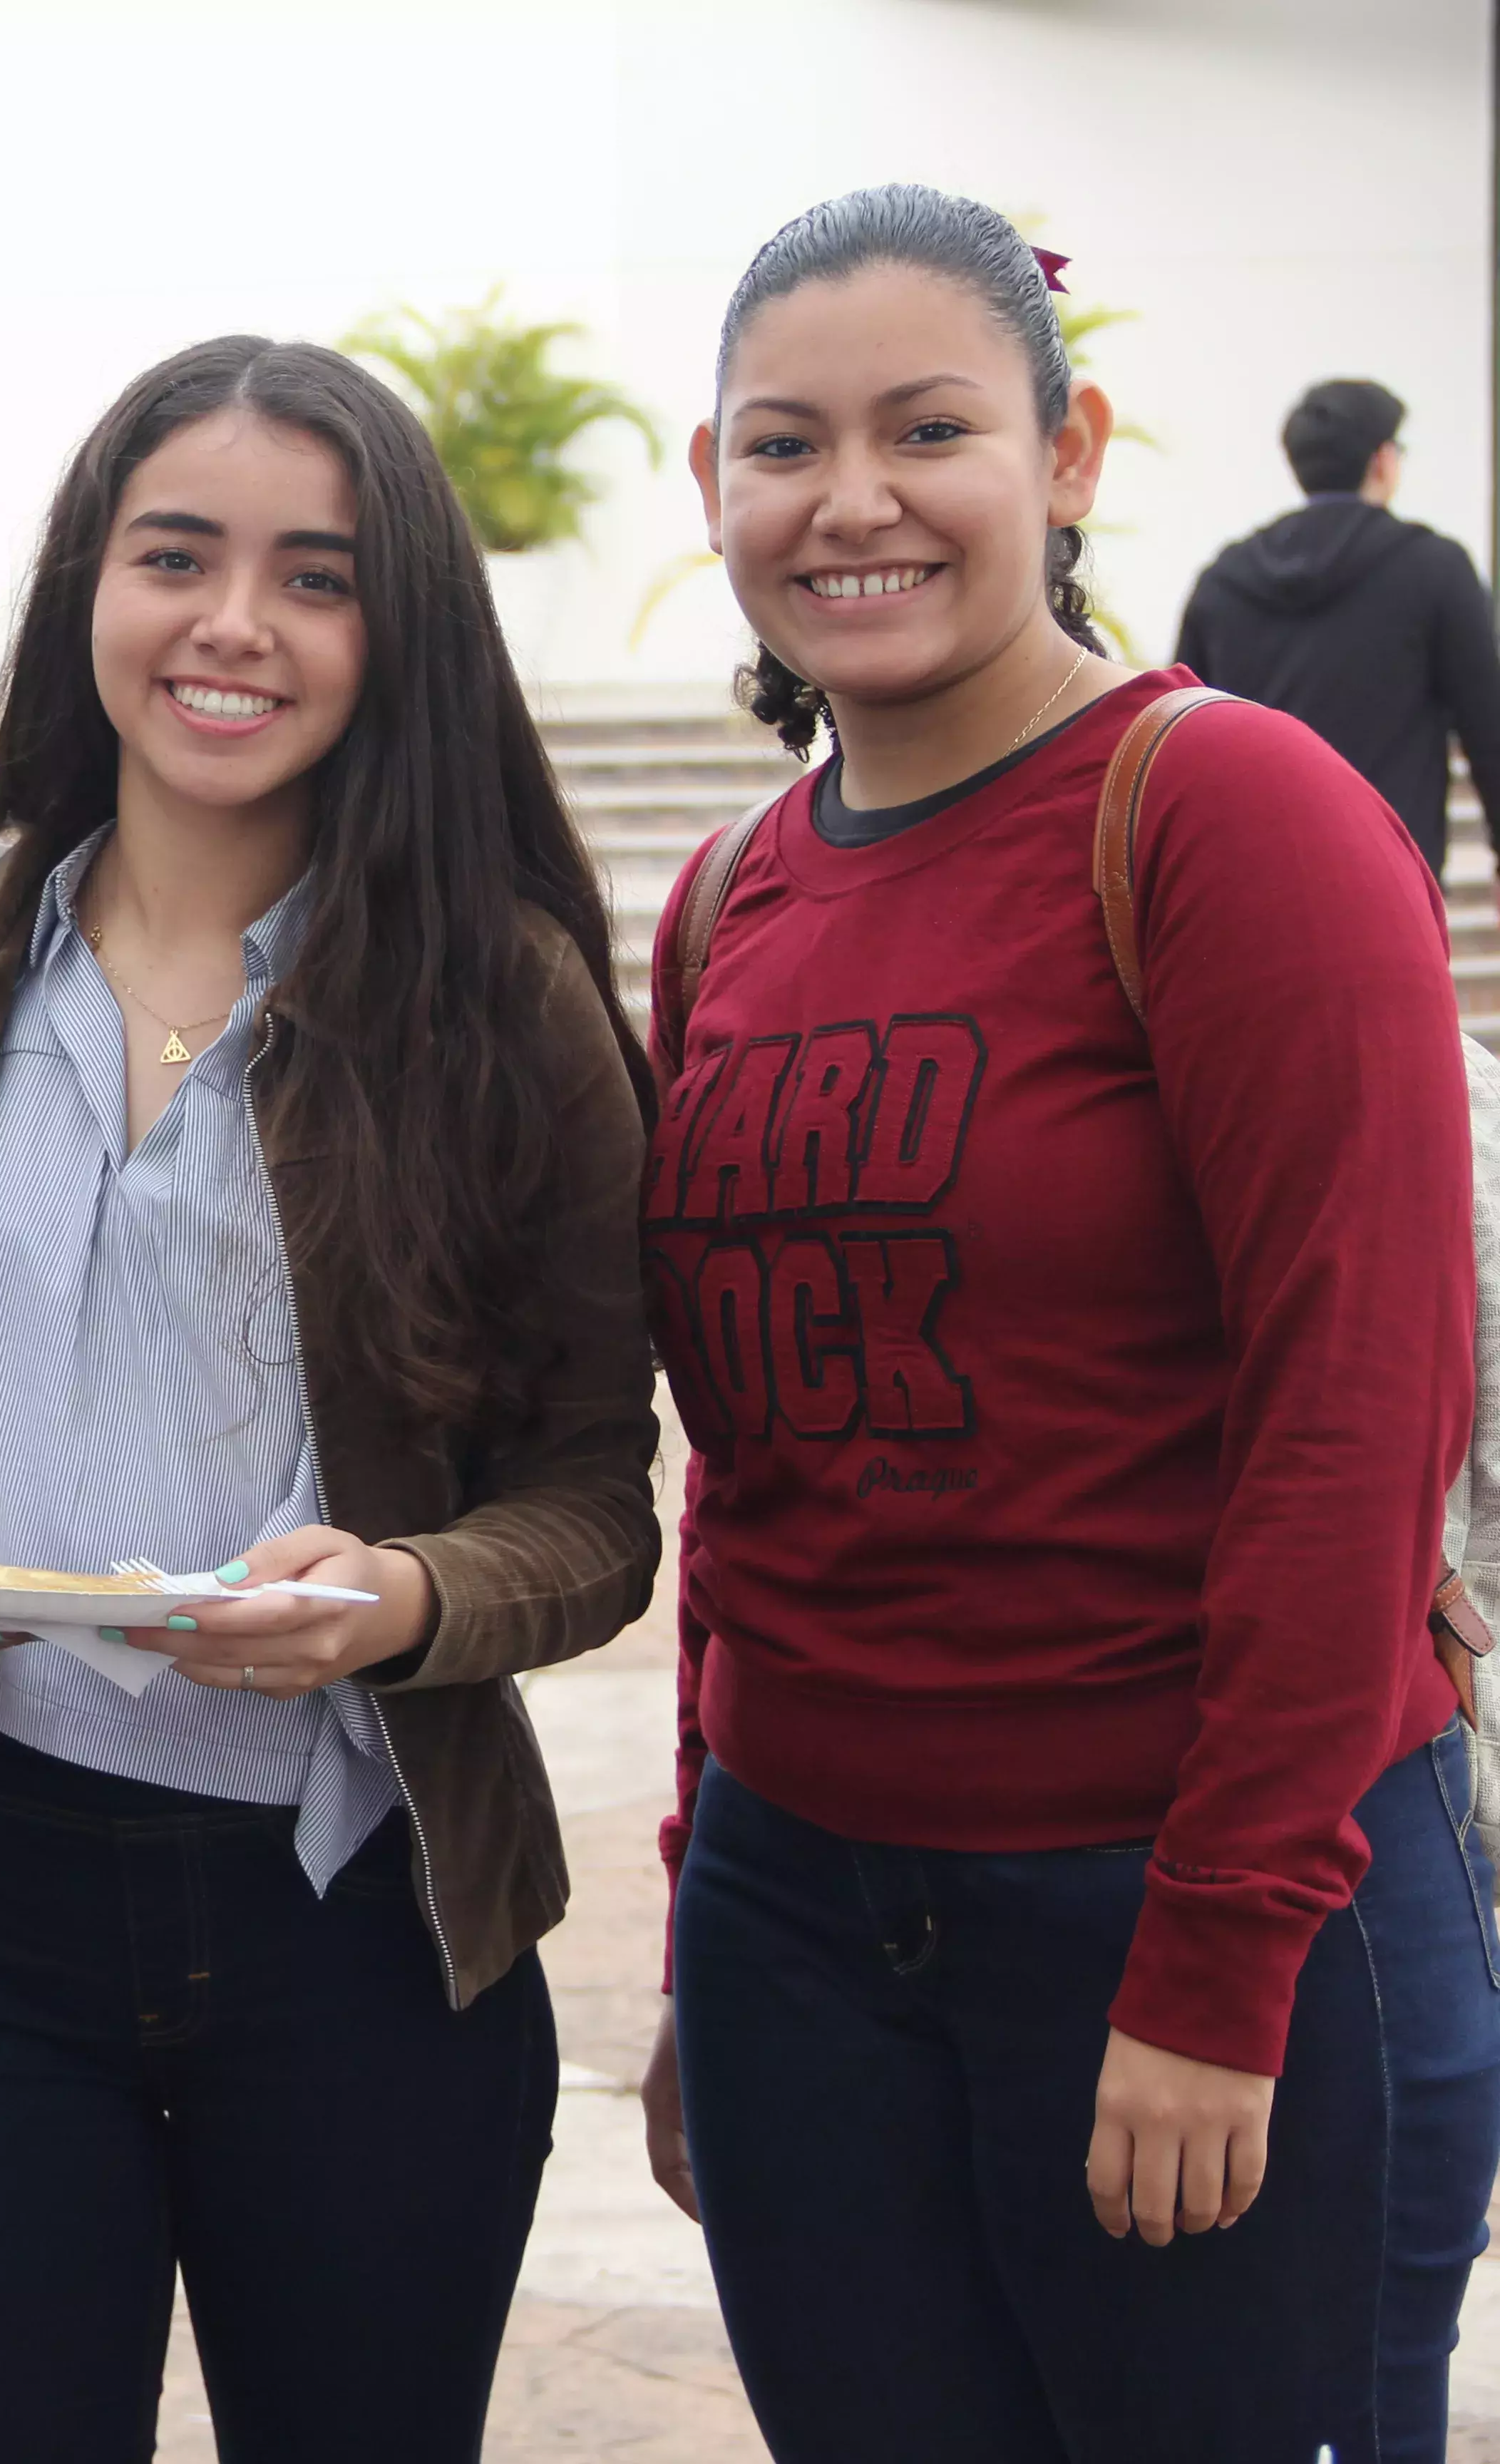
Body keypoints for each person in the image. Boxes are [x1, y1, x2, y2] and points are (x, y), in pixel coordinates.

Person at [641, 185, 1497, 2463]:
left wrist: (1220, 1964)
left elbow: (1359, 1421)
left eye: (932, 428)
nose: (854, 502)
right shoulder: (731, 896)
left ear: (1074, 449)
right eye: (782, 444)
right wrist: (704, 1912)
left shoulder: (1225, 811)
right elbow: (747, 1458)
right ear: (709, 479)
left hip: (1193, 1901)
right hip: (804, 1916)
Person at [0, 335, 662, 2463]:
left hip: (354, 1904)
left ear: (397, 626)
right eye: (178, 555)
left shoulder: (498, 999)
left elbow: (594, 1497)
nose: (234, 625)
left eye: (316, 576)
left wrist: (413, 1596)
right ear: (92, 582)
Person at [1177, 378, 1500, 878]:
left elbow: (1182, 741)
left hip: (1253, 885)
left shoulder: (1224, 583)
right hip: (1392, 886)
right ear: (1382, 460)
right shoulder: (1435, 570)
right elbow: (1487, 725)